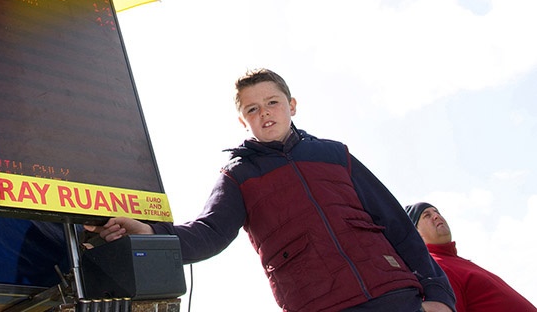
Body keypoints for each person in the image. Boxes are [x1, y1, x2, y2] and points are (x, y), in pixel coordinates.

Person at [85, 68, 456, 312]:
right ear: (241, 120)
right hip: (318, 305)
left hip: (395, 296)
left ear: (291, 105)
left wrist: (439, 296)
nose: (265, 113)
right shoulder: (238, 175)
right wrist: (147, 232)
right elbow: (207, 234)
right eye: (252, 109)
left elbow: (397, 225)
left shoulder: (334, 154)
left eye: (273, 102)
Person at [405, 202, 536, 312]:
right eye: (427, 215)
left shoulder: (456, 262)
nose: (436, 216)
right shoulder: (437, 268)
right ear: (416, 233)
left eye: (437, 212)